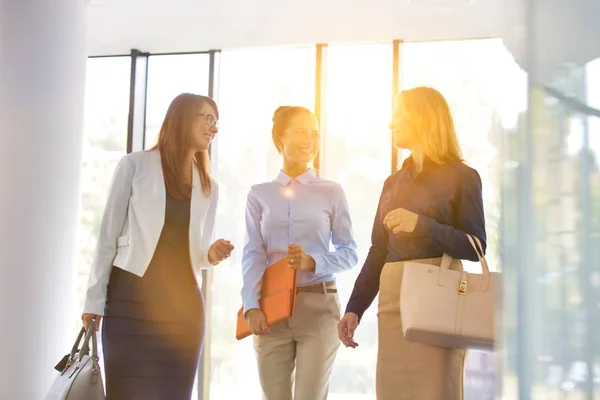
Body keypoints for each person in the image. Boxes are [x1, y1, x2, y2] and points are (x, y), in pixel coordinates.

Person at [81, 93, 234, 399]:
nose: (214, 128)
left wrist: (211, 254)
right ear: (182, 117)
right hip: (128, 303)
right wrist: (93, 302)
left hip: (183, 310)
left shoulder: (208, 186)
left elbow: (197, 253)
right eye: (208, 118)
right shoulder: (134, 165)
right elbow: (107, 237)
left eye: (216, 122)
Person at [338, 87, 487, 400]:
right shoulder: (392, 183)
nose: (392, 125)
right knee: (392, 392)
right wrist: (355, 308)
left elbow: (475, 247)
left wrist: (421, 225)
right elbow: (378, 250)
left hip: (440, 298)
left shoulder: (463, 176)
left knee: (437, 391)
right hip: (392, 301)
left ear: (423, 118)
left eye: (398, 116)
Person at [241, 106, 359, 400]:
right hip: (271, 312)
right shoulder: (259, 193)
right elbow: (253, 253)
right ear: (279, 137)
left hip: (319, 308)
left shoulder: (332, 191)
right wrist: (250, 305)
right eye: (300, 131)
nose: (310, 140)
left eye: (315, 133)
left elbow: (350, 253)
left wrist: (313, 261)